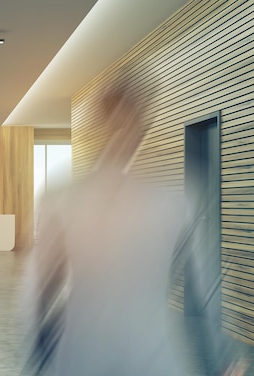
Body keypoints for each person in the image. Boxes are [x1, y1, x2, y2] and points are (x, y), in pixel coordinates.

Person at [21, 83, 248, 376]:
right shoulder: (65, 199)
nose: (123, 130)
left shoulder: (172, 204)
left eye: (128, 122)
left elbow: (208, 285)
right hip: (115, 354)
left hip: (119, 353)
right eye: (119, 121)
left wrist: (225, 357)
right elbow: (44, 284)